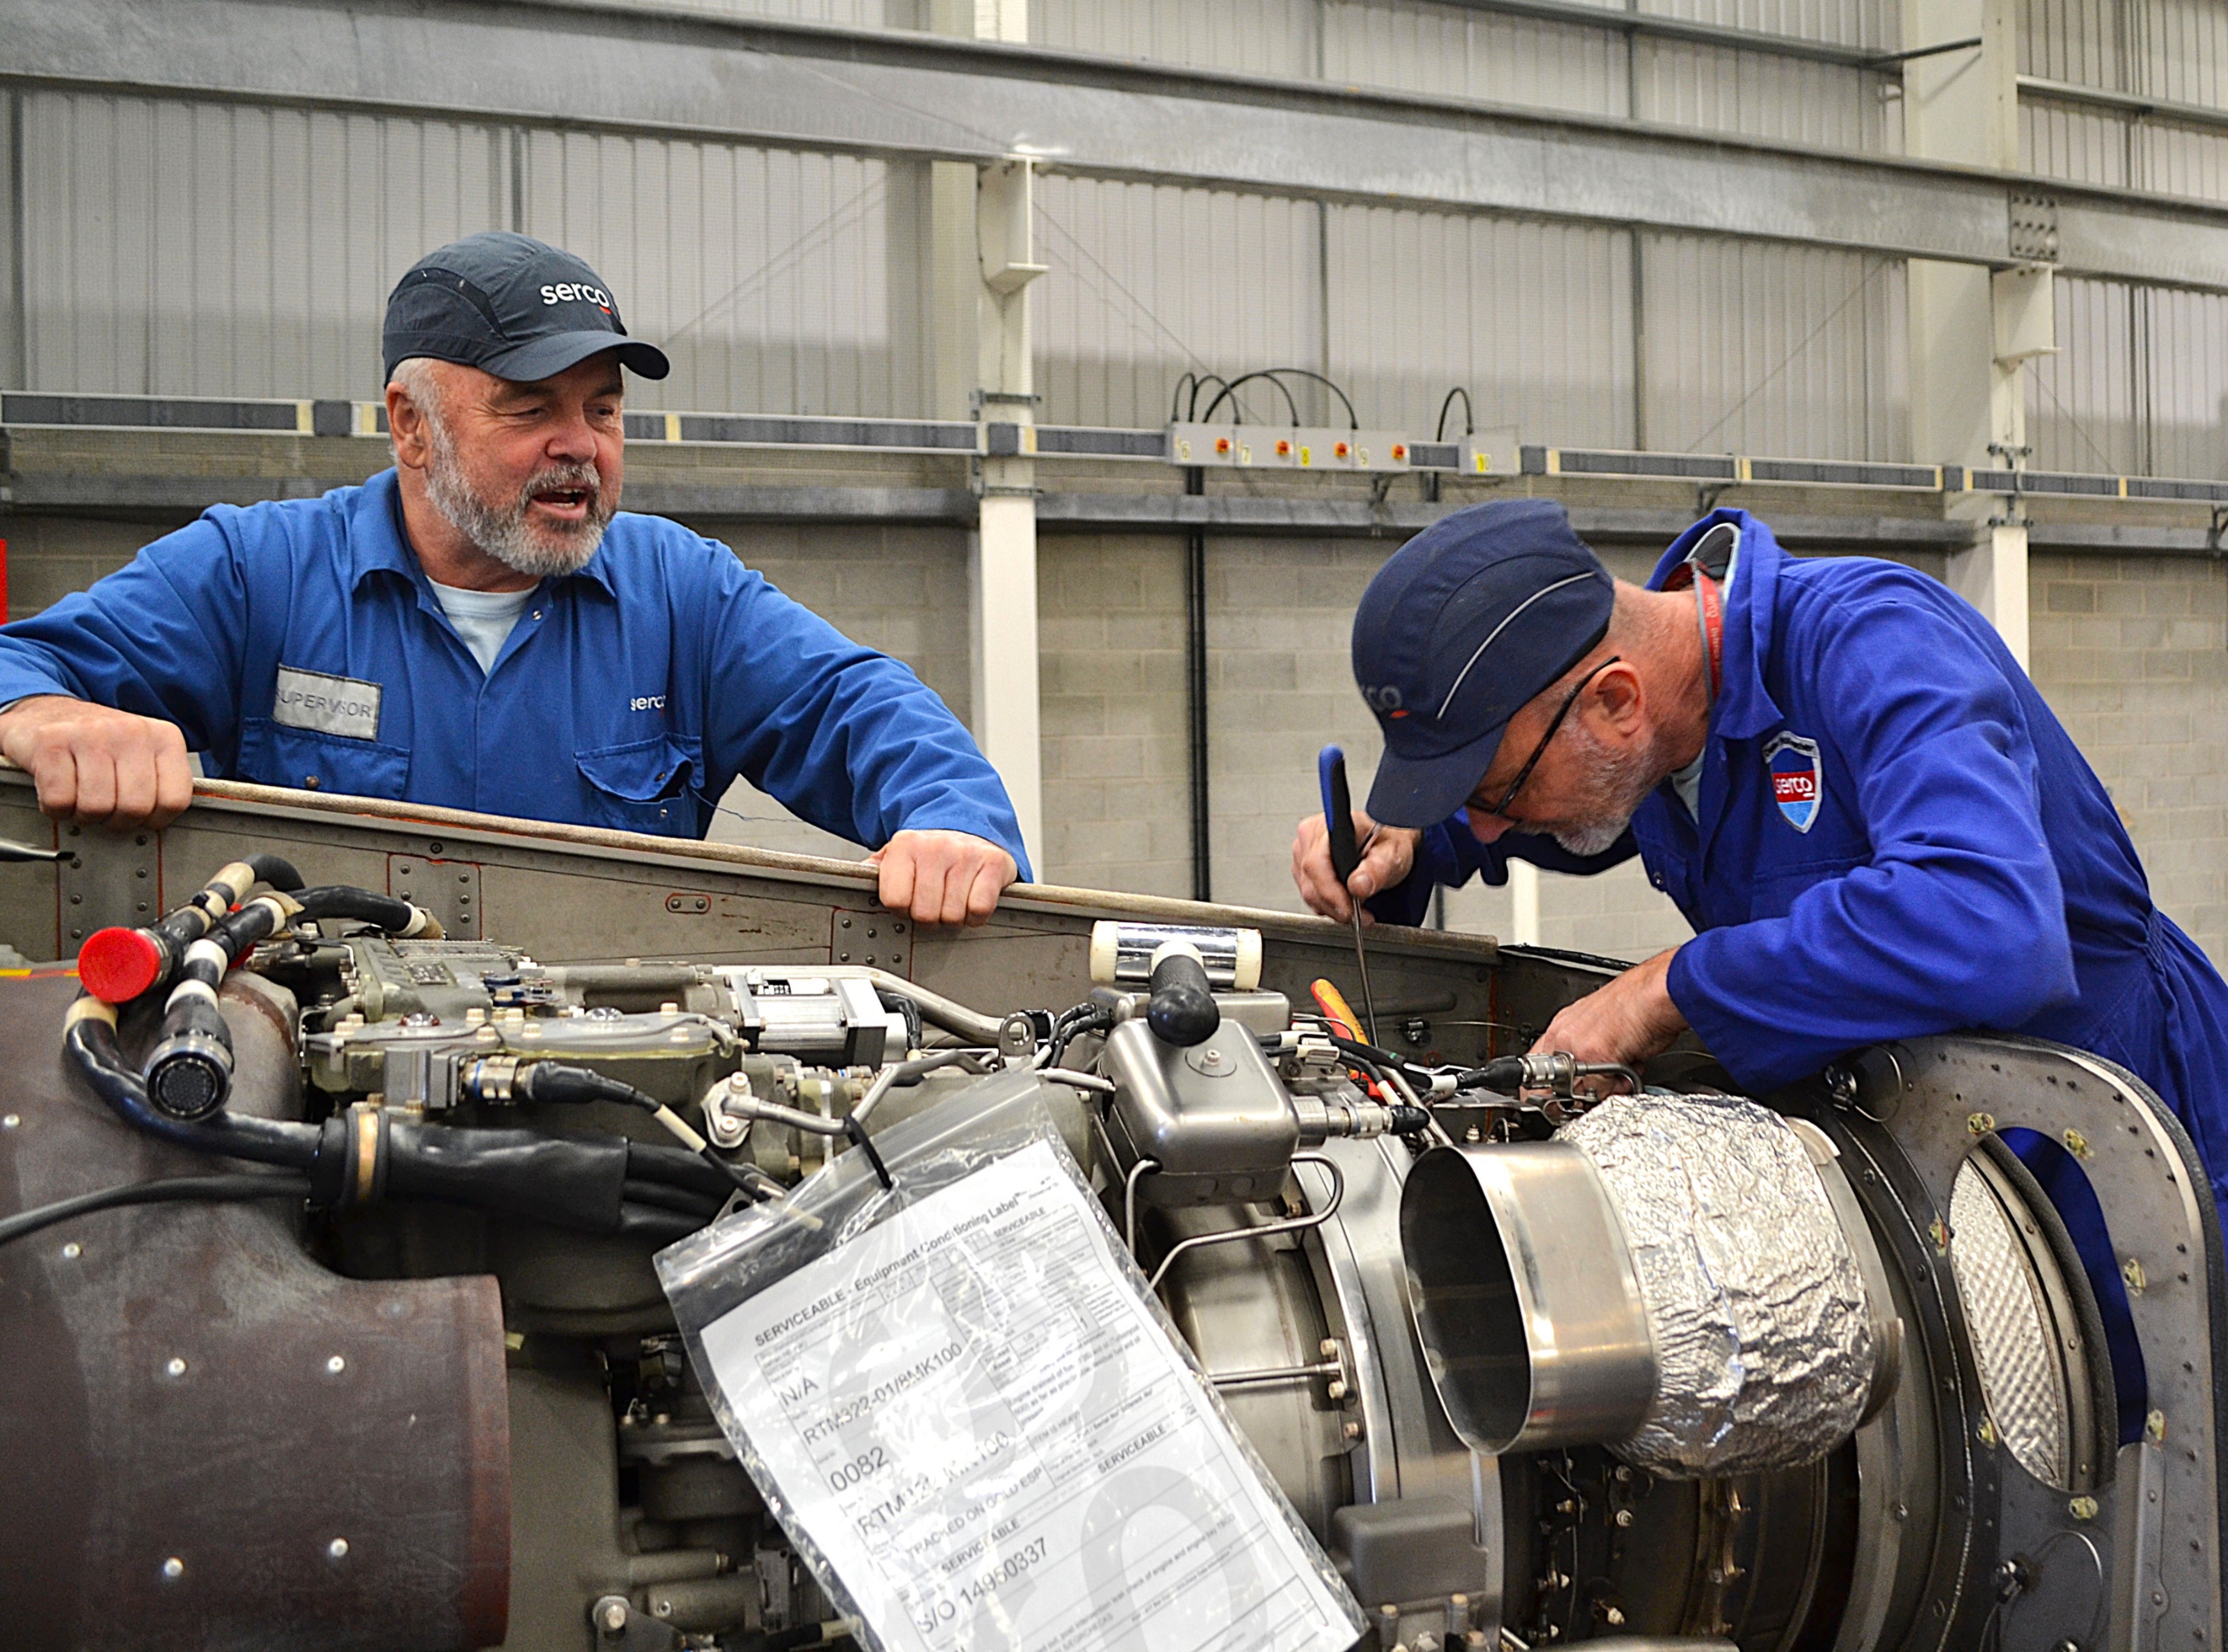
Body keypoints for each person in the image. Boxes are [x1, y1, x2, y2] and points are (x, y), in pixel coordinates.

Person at [0, 233, 1025, 926]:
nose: (580, 446)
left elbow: (852, 701)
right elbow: (22, 662)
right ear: (411, 426)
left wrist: (954, 822)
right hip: (313, 1122)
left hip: (609, 1110)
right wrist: (48, 717)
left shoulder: (681, 595)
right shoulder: (255, 573)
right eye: (531, 409)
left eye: (603, 410)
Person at [1291, 497, 2228, 1229]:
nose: (1494, 832)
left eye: (1498, 794)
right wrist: (1412, 844)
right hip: (1939, 1164)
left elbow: (1988, 921)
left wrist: (1667, 990)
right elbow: (1558, 820)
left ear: (1616, 704)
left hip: (2117, 1149)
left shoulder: (1877, 644)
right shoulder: (1660, 732)